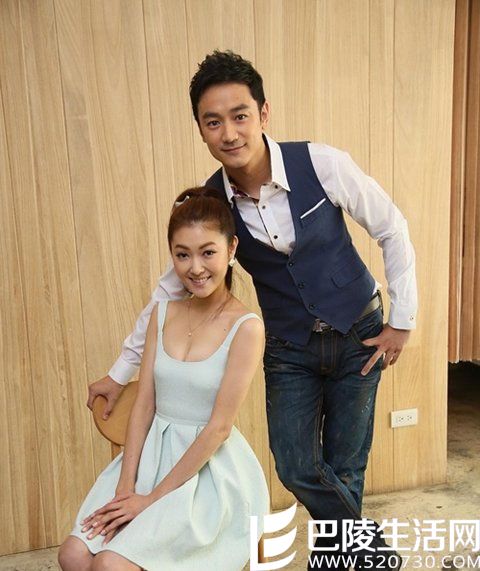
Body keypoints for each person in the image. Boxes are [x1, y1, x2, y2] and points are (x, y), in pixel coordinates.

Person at [88, 51, 417, 570]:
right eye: (213, 122)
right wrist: (118, 373)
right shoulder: (211, 204)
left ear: (263, 113)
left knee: (346, 467)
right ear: (201, 129)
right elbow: (165, 295)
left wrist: (402, 320)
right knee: (296, 466)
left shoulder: (322, 163)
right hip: (289, 346)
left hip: (359, 332)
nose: (229, 133)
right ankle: (373, 553)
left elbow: (391, 227)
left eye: (239, 115)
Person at [58, 187, 270, 571]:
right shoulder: (162, 313)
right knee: (73, 555)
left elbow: (219, 428)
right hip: (148, 458)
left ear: (231, 249)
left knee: (109, 564)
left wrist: (150, 500)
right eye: (182, 254)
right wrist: (126, 486)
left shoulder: (247, 327)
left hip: (205, 473)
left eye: (208, 252)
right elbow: (144, 404)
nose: (195, 268)